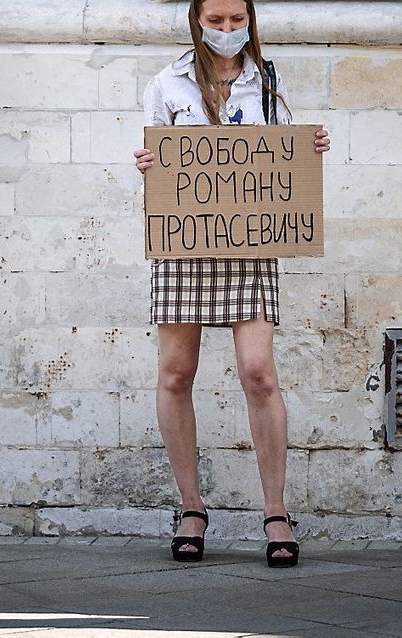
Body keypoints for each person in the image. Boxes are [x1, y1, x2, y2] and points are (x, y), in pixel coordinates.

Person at [133, 0, 331, 568]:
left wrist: (307, 150)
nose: (226, 31)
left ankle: (276, 512)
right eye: (215, 21)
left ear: (250, 21)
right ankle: (190, 507)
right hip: (185, 238)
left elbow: (279, 162)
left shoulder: (267, 80)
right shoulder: (166, 83)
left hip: (249, 239)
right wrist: (149, 162)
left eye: (235, 20)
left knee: (259, 372)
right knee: (176, 372)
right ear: (197, 20)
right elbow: (157, 161)